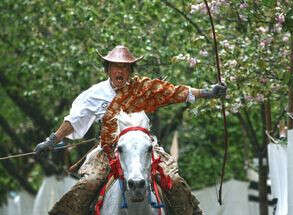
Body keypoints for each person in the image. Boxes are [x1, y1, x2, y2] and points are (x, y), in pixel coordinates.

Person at [34, 45, 226, 215]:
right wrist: (52, 140)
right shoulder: (94, 94)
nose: (121, 71)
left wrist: (206, 92)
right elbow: (74, 120)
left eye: (125, 67)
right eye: (116, 66)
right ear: (108, 69)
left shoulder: (143, 88)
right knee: (87, 184)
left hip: (146, 149)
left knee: (174, 182)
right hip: (108, 152)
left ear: (130, 70)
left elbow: (173, 92)